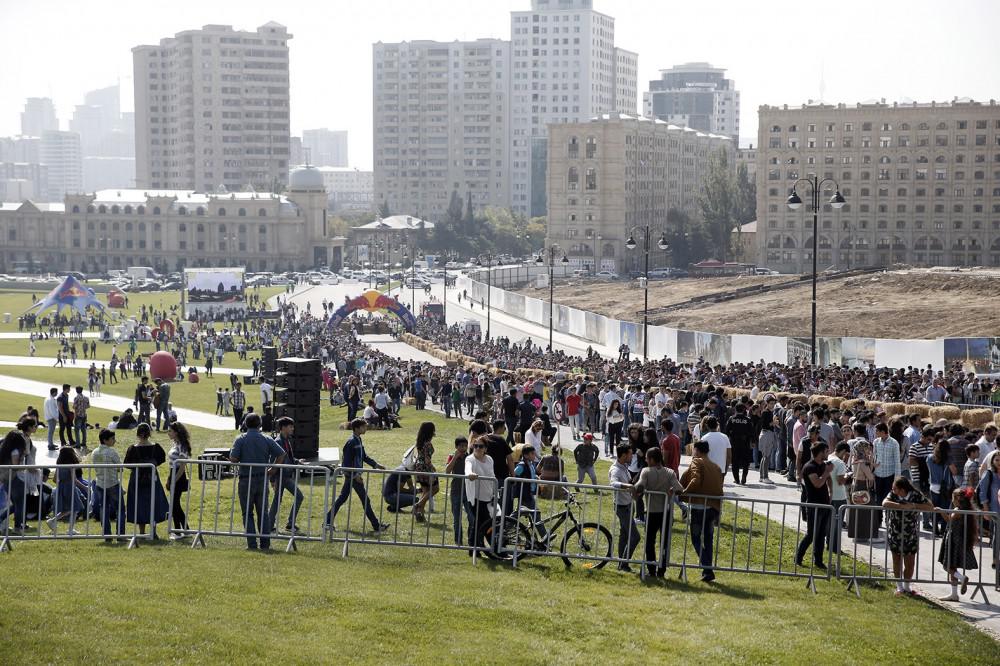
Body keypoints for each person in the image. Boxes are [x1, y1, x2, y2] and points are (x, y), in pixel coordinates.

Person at [229, 413, 286, 550]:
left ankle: (252, 544)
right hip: (262, 478)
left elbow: (234, 458)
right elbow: (281, 454)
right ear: (260, 424)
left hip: (246, 479)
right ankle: (265, 544)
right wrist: (273, 469)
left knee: (247, 513)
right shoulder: (266, 438)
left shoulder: (240, 439)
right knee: (263, 513)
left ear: (245, 424)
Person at [325, 419, 388, 534]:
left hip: (354, 476)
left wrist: (376, 465)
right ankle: (376, 526)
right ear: (356, 428)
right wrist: (355, 476)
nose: (366, 428)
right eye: (364, 427)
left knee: (342, 499)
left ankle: (327, 521)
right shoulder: (351, 442)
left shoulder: (358, 440)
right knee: (365, 500)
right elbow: (346, 463)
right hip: (352, 477)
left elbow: (364, 456)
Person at [634, 447, 683, 578]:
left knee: (650, 541)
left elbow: (640, 485)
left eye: (647, 458)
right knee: (665, 542)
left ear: (651, 459)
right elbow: (679, 489)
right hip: (666, 512)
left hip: (652, 512)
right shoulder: (670, 472)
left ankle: (651, 569)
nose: (646, 460)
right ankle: (661, 570)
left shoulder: (646, 471)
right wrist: (671, 490)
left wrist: (637, 489)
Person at [882, 476, 934, 596]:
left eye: (895, 488)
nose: (893, 490)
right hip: (895, 533)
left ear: (902, 489)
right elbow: (884, 503)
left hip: (911, 534)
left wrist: (914, 505)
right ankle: (899, 587)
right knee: (896, 561)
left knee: (910, 562)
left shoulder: (916, 494)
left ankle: (907, 586)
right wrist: (900, 506)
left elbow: (930, 506)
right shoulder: (893, 494)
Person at [681, 439, 724, 582]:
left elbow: (696, 480)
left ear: (697, 450)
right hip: (713, 507)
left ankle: (707, 568)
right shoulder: (716, 467)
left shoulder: (697, 461)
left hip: (699, 507)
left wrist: (684, 492)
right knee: (708, 539)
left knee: (695, 538)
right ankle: (707, 571)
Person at [123, 423, 170, 538]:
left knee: (139, 504)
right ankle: (153, 531)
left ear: (137, 434)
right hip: (152, 477)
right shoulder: (156, 448)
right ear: (149, 434)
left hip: (137, 479)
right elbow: (161, 459)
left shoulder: (132, 449)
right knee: (154, 502)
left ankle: (142, 532)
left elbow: (127, 464)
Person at [938, 487, 979, 602]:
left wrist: (940, 511)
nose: (952, 500)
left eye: (953, 498)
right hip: (958, 540)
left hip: (953, 540)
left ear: (957, 499)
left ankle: (962, 578)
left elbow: (949, 520)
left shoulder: (957, 510)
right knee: (953, 566)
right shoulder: (966, 509)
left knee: (947, 566)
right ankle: (954, 594)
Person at [796, 441, 833, 570]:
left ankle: (818, 561)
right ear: (820, 452)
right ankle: (798, 558)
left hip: (825, 505)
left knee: (821, 534)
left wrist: (831, 493)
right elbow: (817, 483)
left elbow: (828, 480)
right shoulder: (809, 467)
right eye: (826, 451)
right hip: (813, 506)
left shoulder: (823, 465)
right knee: (811, 534)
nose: (828, 453)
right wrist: (827, 472)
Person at [268, 417, 305, 534]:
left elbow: (287, 457)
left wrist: (297, 461)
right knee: (297, 497)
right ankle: (283, 524)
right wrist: (272, 479)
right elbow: (273, 460)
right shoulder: (278, 441)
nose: (292, 429)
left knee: (278, 500)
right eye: (290, 427)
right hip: (280, 476)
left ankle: (273, 525)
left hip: (286, 475)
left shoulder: (286, 440)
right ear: (283, 428)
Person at [90, 428, 126, 541]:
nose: (114, 441)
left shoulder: (94, 452)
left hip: (100, 484)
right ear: (105, 440)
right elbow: (120, 467)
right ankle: (120, 535)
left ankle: (107, 535)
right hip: (113, 483)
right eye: (112, 439)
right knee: (120, 510)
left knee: (103, 509)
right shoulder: (111, 452)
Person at [609, 444, 640, 572]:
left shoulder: (625, 467)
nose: (632, 456)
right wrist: (628, 486)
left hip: (628, 505)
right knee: (635, 537)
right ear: (623, 455)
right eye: (630, 454)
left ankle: (621, 564)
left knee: (624, 535)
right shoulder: (615, 469)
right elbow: (613, 483)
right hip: (622, 508)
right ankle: (623, 563)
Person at [465, 435, 497, 554]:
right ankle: (493, 548)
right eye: (475, 446)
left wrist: (495, 493)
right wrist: (470, 474)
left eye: (480, 446)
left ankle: (475, 549)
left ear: (485, 448)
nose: (477, 448)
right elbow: (468, 468)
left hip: (488, 496)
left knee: (480, 523)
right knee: (484, 522)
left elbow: (492, 476)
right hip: (475, 497)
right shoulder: (470, 459)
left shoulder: (489, 459)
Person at [47, 446, 88, 535]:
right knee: (75, 507)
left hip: (61, 487)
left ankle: (53, 521)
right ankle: (70, 529)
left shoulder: (59, 465)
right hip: (70, 487)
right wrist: (85, 487)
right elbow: (74, 480)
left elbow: (54, 479)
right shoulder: (71, 465)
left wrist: (62, 483)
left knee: (69, 508)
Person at [165, 422, 192, 538]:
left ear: (176, 432)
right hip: (173, 474)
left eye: (170, 431)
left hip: (179, 476)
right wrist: (169, 479)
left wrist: (174, 480)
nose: (168, 433)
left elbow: (181, 466)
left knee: (175, 504)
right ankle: (179, 531)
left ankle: (184, 530)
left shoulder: (182, 445)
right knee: (174, 505)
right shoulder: (175, 443)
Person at [445, 437, 470, 545]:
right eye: (461, 446)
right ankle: (458, 540)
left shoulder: (470, 457)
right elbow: (447, 471)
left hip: (468, 492)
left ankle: (471, 539)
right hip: (456, 491)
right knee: (457, 518)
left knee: (471, 517)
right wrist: (455, 457)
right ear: (456, 447)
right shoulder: (451, 456)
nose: (463, 448)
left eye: (465, 446)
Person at [412, 421, 439, 522]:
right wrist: (432, 468)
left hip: (418, 468)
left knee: (425, 491)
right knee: (435, 488)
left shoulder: (419, 442)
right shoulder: (428, 444)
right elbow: (427, 460)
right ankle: (418, 504)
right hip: (426, 469)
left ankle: (420, 514)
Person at [725, 403, 754, 485]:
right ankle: (744, 476)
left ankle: (736, 479)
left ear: (735, 409)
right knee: (745, 461)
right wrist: (752, 441)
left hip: (734, 443)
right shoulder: (747, 419)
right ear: (744, 410)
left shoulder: (731, 419)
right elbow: (752, 432)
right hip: (745, 443)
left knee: (735, 462)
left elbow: (727, 431)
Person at [72, 386, 90, 451]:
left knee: (77, 430)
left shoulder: (76, 398)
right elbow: (88, 406)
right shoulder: (86, 398)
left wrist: (75, 416)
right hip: (84, 415)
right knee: (83, 430)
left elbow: (74, 407)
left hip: (78, 415)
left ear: (76, 390)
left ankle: (78, 444)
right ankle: (84, 442)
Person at [43, 387, 59, 452]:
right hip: (51, 418)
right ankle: (50, 445)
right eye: (56, 392)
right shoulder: (51, 400)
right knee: (51, 432)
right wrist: (57, 418)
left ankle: (51, 443)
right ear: (54, 392)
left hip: (49, 417)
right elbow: (52, 411)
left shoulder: (48, 398)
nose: (57, 393)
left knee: (51, 432)